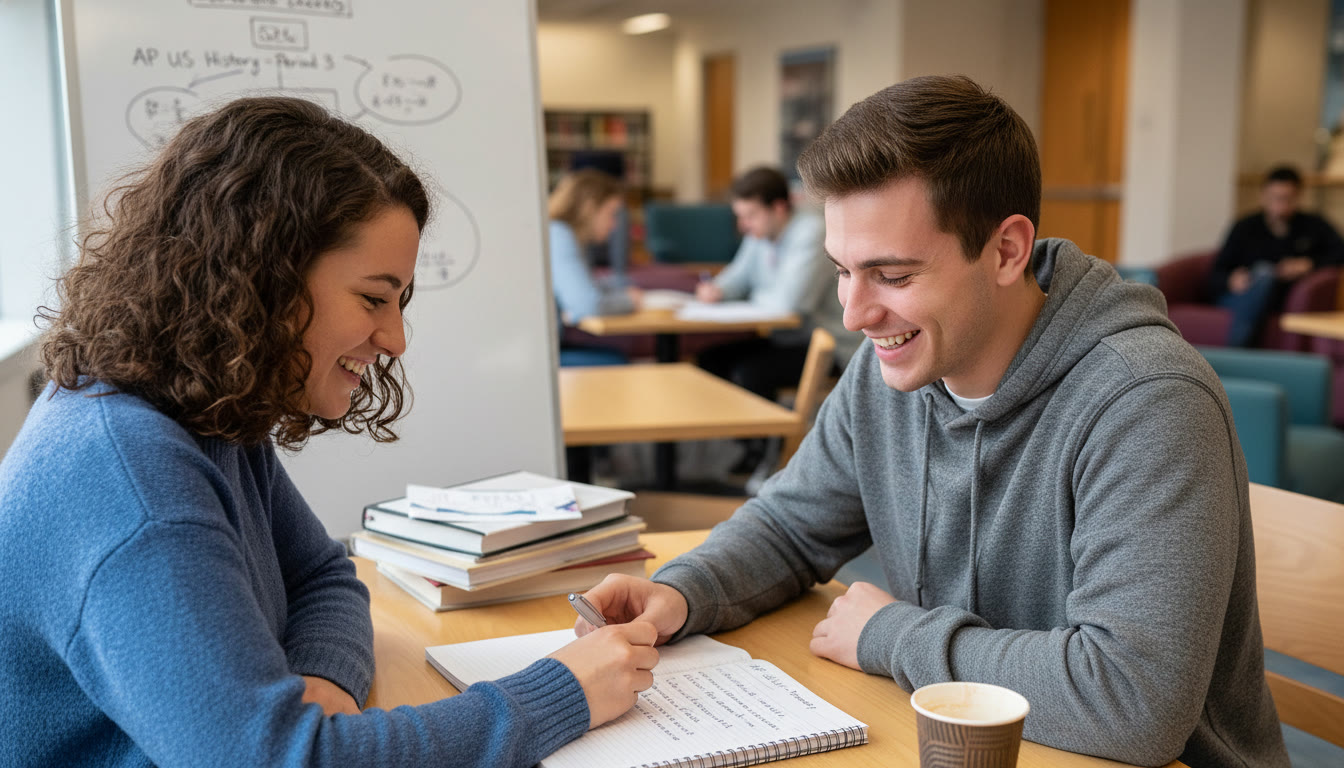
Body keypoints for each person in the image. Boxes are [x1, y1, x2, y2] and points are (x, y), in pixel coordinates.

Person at [578, 76, 1288, 767]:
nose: (856, 315)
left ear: (1007, 250)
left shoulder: (1146, 401)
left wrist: (892, 635)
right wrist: (682, 591)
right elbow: (793, 527)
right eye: (841, 271)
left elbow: (1133, 700)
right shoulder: (890, 365)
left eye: (892, 276)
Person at [0, 96, 659, 767]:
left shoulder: (205, 409)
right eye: (373, 298)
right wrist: (563, 693)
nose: (396, 339)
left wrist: (321, 678)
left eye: (399, 302)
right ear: (258, 279)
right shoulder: (132, 482)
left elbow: (323, 576)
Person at [693, 166, 852, 473]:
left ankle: (770, 457)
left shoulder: (812, 232)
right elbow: (737, 278)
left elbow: (790, 304)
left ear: (778, 208)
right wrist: (717, 290)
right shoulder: (761, 233)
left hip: (828, 343)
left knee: (751, 372)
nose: (743, 225)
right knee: (711, 361)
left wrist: (751, 296)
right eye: (740, 216)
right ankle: (750, 446)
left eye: (750, 215)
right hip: (786, 338)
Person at [1210, 164, 1344, 346]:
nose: (1280, 204)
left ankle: (1236, 355)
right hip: (1243, 295)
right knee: (1264, 273)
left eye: (1287, 198)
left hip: (1284, 298)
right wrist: (1231, 280)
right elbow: (1215, 273)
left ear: (1298, 197)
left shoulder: (1313, 226)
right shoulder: (1245, 227)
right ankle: (1237, 350)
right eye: (1275, 198)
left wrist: (1309, 264)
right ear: (1263, 196)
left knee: (1267, 274)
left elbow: (1339, 252)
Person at [548, 168, 642, 367]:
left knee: (616, 356)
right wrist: (628, 300)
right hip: (548, 355)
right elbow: (587, 306)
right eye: (611, 213)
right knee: (615, 362)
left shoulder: (566, 235)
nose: (614, 225)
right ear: (590, 208)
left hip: (553, 346)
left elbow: (587, 285)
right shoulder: (560, 236)